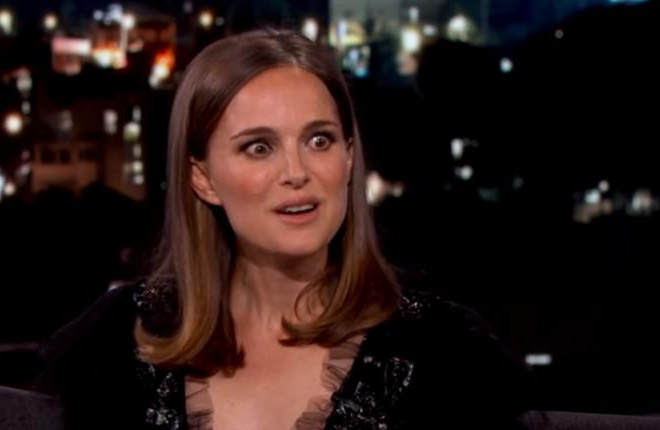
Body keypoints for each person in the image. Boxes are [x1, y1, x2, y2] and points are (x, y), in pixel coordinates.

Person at [33, 28, 530, 429]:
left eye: (319, 140)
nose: (296, 172)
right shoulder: (121, 344)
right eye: (259, 147)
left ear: (349, 158)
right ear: (202, 178)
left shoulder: (442, 355)